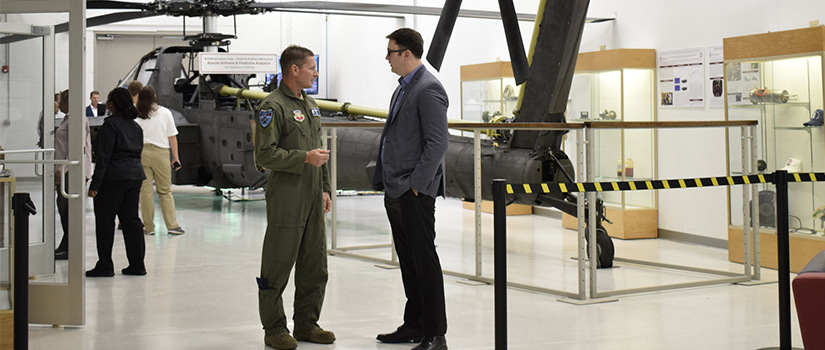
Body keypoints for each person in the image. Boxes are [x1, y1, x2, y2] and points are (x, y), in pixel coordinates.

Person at [372, 28, 449, 350]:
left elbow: (437, 143)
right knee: (408, 260)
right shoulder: (403, 88)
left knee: (424, 260)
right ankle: (414, 324)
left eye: (390, 52)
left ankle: (435, 333)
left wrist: (417, 186)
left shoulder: (428, 89)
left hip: (413, 190)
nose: (387, 59)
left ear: (406, 53)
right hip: (396, 188)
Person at [253, 45, 334, 350]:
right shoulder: (272, 107)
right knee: (278, 262)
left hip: (313, 194)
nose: (316, 73)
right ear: (294, 70)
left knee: (315, 263)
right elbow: (264, 154)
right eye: (312, 67)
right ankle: (274, 328)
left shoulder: (310, 105)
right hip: (287, 195)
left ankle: (307, 323)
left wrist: (325, 188)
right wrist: (303, 158)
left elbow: (319, 151)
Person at [86, 87, 146, 277]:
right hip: (134, 176)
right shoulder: (135, 127)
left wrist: (95, 184)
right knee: (131, 220)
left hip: (113, 178)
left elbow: (104, 157)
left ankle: (105, 264)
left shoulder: (110, 126)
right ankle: (137, 265)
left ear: (112, 104)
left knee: (105, 221)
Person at [135, 85, 185, 235]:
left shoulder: (136, 114)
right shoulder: (165, 112)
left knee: (145, 192)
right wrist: (175, 158)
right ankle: (172, 226)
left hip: (141, 153)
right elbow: (172, 137)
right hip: (161, 153)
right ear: (154, 97)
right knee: (164, 191)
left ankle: (149, 227)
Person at [53, 90, 93, 260]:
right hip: (66, 169)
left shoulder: (77, 120)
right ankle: (66, 243)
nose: (58, 103)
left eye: (61, 100)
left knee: (67, 207)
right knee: (63, 207)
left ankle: (70, 245)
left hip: (71, 170)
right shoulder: (69, 118)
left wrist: (62, 170)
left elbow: (76, 149)